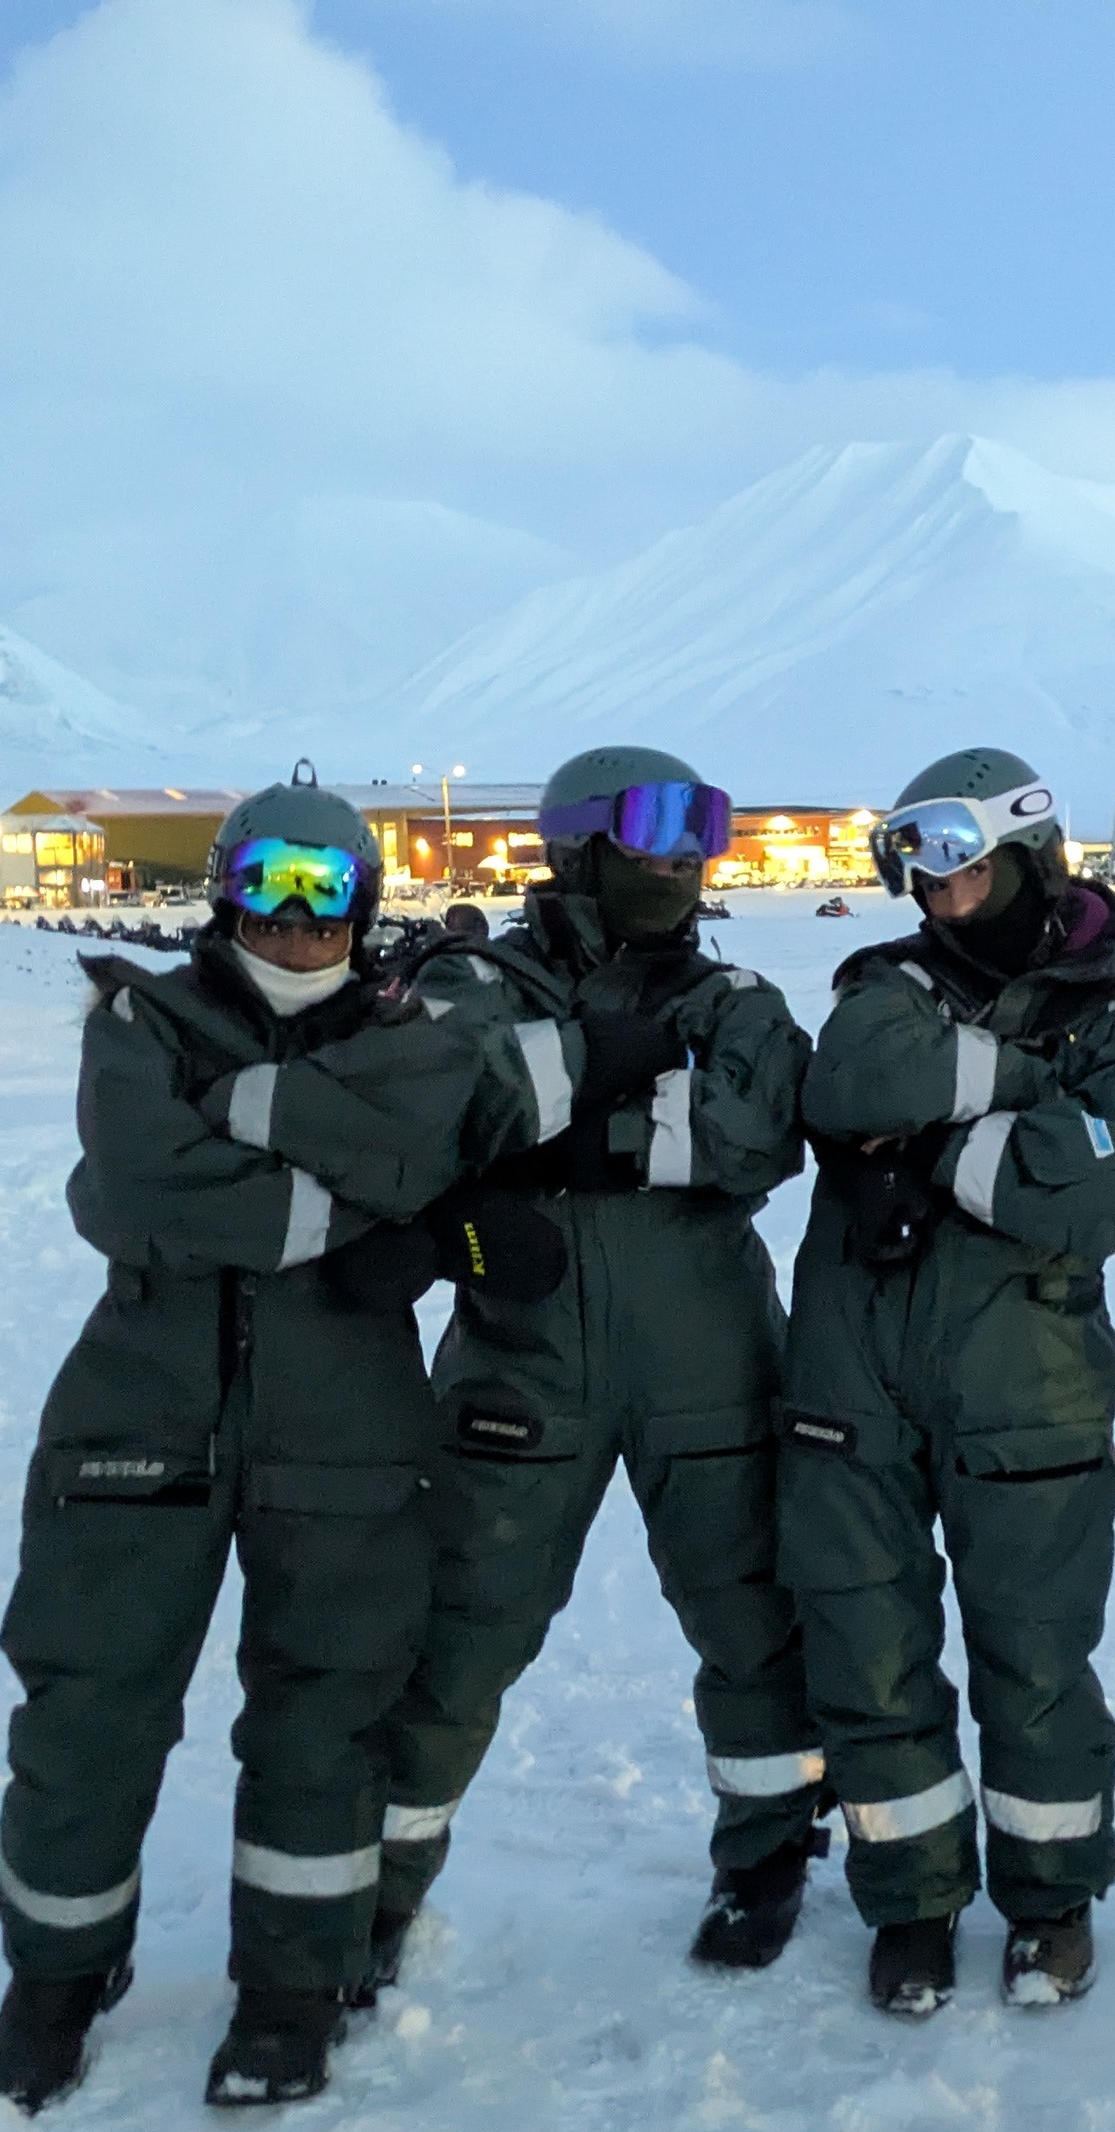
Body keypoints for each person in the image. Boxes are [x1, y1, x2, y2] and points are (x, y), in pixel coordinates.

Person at [0, 779, 559, 2114]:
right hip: (138, 1418)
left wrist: (235, 1118)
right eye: (273, 882)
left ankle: (293, 1989)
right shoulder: (140, 1020)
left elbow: (418, 1151)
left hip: (346, 1432)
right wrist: (362, 1216)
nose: (297, 917)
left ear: (366, 902)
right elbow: (135, 1187)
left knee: (327, 1715)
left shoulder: (418, 1038)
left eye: (328, 887)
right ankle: (57, 1977)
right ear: (226, 886)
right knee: (89, 1706)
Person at [359, 746, 834, 1984]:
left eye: (699, 841)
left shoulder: (738, 999)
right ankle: (377, 1885)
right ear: (575, 847)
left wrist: (559, 1129)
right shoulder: (469, 977)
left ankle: (768, 1856)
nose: (681, 863)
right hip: (520, 1368)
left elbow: (753, 1135)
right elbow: (450, 1106)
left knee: (753, 1625)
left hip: (712, 1362)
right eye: (654, 838)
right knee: (460, 1629)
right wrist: (613, 1092)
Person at [781, 748, 1115, 2016]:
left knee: (1035, 1655)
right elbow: (853, 1081)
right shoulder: (883, 981)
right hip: (849, 1372)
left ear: (1031, 848)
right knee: (868, 1651)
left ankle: (1049, 1900)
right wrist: (1033, 1096)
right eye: (915, 859)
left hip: (1031, 1380)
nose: (938, 884)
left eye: (962, 856)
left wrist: (929, 1151)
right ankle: (910, 1902)